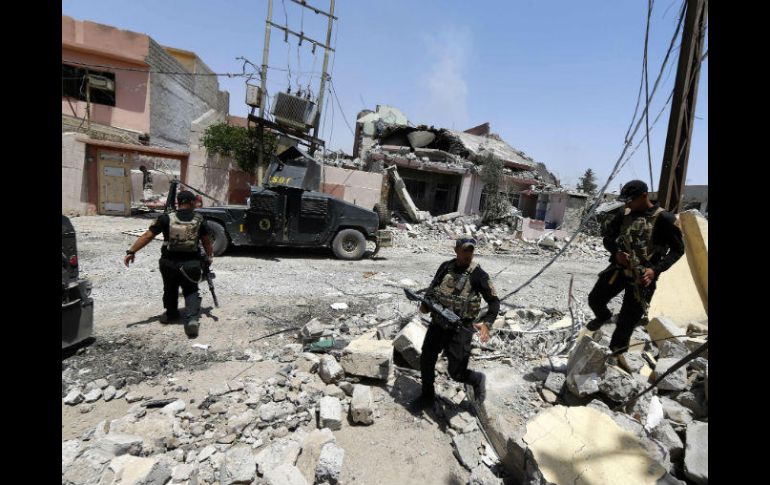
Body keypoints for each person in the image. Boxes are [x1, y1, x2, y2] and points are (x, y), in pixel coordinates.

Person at [586, 180, 685, 353]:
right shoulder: (624, 214)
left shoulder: (664, 218)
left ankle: (615, 358)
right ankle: (604, 317)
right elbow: (608, 238)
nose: (628, 204)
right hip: (619, 270)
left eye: (631, 200)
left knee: (626, 323)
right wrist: (616, 252)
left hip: (643, 278)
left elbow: (678, 250)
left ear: (644, 196)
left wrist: (655, 270)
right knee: (595, 299)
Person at [410, 236, 500, 411]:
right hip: (438, 323)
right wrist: (425, 304)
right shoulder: (445, 267)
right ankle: (427, 396)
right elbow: (432, 289)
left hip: (461, 329)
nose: (468, 254)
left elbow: (494, 302)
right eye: (465, 250)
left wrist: (487, 324)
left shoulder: (478, 275)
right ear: (456, 250)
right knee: (426, 359)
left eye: (471, 250)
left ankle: (477, 379)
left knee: (456, 372)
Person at [124, 190, 214, 338]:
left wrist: (131, 251)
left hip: (169, 263)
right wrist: (209, 256)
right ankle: (191, 319)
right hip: (191, 264)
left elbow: (148, 236)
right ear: (191, 202)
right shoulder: (199, 219)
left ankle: (171, 314)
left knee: (170, 288)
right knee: (191, 290)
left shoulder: (165, 218)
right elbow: (206, 241)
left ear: (179, 202)